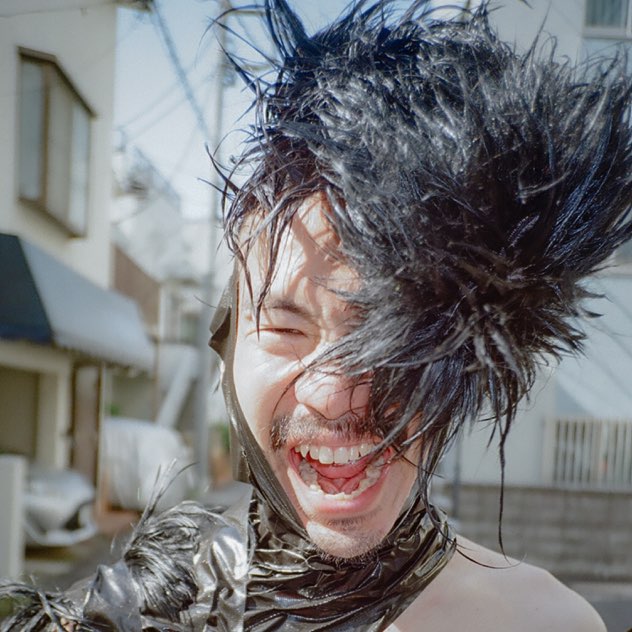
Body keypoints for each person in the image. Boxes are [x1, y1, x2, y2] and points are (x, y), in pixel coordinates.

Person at [2, 0, 631, 629]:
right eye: (284, 329)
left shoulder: (545, 622)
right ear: (228, 348)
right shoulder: (141, 615)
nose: (331, 394)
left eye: (381, 333)